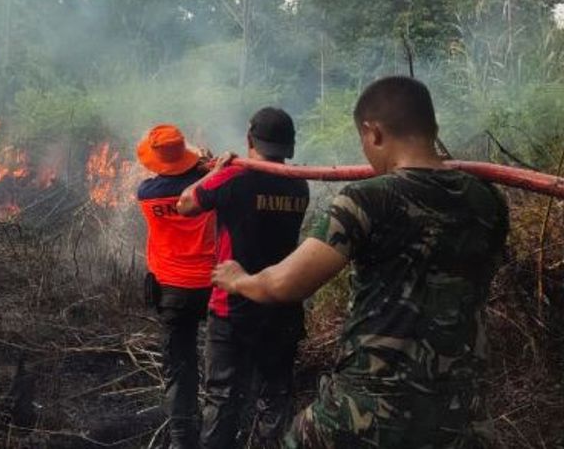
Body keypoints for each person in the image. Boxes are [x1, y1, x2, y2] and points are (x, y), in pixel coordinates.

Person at [211, 76, 509, 448]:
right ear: (433, 128)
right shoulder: (488, 200)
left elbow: (284, 284)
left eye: (362, 139)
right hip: (463, 415)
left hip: (368, 411)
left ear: (373, 132)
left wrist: (238, 279)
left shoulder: (365, 199)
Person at [176, 107, 309, 449]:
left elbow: (185, 205)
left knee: (222, 398)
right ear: (289, 147)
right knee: (274, 398)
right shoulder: (300, 186)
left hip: (232, 308)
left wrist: (216, 171)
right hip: (281, 307)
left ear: (249, 139)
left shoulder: (234, 178)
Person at [135, 124, 218, 449]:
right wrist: (207, 165)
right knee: (220, 363)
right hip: (213, 286)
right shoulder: (208, 188)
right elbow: (211, 182)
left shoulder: (147, 194)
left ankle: (183, 440)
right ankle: (218, 433)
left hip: (171, 292)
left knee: (179, 368)